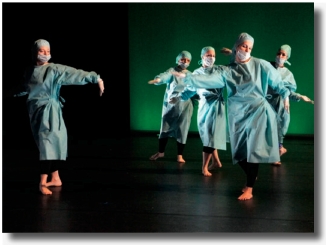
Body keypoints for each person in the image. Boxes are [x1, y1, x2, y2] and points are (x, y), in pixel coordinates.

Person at [173, 33, 290, 201]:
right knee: (239, 152)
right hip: (238, 114)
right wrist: (188, 76)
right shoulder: (227, 70)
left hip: (258, 111)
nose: (247, 50)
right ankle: (251, 175)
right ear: (237, 47)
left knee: (253, 150)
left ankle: (249, 187)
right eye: (244, 46)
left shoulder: (260, 64)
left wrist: (285, 95)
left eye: (250, 48)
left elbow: (277, 81)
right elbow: (209, 79)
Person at [12, 39, 105, 195]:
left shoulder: (54, 69)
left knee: (49, 144)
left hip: (50, 111)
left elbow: (74, 73)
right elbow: (24, 87)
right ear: (35, 52)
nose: (45, 54)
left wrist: (96, 78)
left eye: (48, 51)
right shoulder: (29, 70)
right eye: (42, 51)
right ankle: (55, 177)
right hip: (36, 112)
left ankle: (43, 182)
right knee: (46, 144)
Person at [170, 47, 226, 176]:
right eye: (208, 55)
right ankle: (216, 162)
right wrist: (178, 97)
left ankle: (204, 167)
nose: (211, 57)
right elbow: (190, 89)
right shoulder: (196, 73)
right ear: (202, 57)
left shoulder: (219, 70)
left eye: (213, 55)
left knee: (211, 136)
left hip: (216, 106)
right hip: (204, 106)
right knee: (208, 135)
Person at [266, 44, 314, 165]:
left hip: (282, 104)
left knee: (280, 127)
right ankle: (276, 151)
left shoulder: (288, 74)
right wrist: (234, 53)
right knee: (266, 128)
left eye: (283, 55)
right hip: (267, 102)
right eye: (279, 53)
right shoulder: (268, 67)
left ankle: (277, 153)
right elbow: (252, 65)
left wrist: (300, 96)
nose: (280, 56)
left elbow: (289, 92)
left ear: (287, 57)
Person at [148, 51, 194, 163]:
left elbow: (193, 88)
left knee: (183, 130)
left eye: (188, 60)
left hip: (185, 105)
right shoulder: (172, 71)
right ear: (178, 60)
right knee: (164, 128)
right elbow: (165, 75)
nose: (185, 62)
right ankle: (161, 152)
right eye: (183, 59)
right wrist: (158, 79)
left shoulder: (190, 74)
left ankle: (179, 155)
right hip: (171, 105)